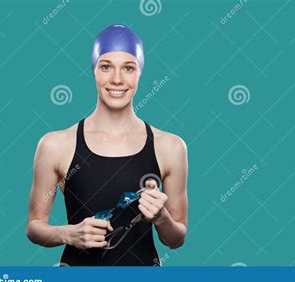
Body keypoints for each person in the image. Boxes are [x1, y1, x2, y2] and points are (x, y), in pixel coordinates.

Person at [26, 24, 188, 266]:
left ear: (140, 73)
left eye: (128, 68)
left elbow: (176, 239)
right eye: (106, 66)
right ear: (94, 70)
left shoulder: (170, 147)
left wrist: (161, 218)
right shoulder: (55, 144)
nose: (117, 79)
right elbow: (34, 226)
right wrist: (67, 233)